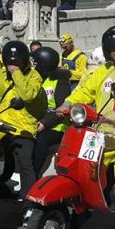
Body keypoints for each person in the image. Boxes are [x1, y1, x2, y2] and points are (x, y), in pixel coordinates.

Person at [57, 26, 115, 174]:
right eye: (114, 48)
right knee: (85, 175)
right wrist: (67, 104)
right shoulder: (102, 70)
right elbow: (85, 91)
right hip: (100, 137)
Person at [0, 40, 46, 200]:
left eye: (18, 62)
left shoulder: (34, 76)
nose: (14, 65)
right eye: (10, 62)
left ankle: (29, 199)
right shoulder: (0, 76)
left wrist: (16, 74)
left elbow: (28, 95)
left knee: (25, 162)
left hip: (23, 128)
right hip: (1, 125)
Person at [32, 46, 72, 177]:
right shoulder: (37, 78)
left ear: (44, 64)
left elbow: (62, 110)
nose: (34, 65)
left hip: (57, 127)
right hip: (36, 122)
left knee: (41, 140)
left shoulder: (60, 82)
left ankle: (34, 175)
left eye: (36, 63)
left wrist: (44, 123)